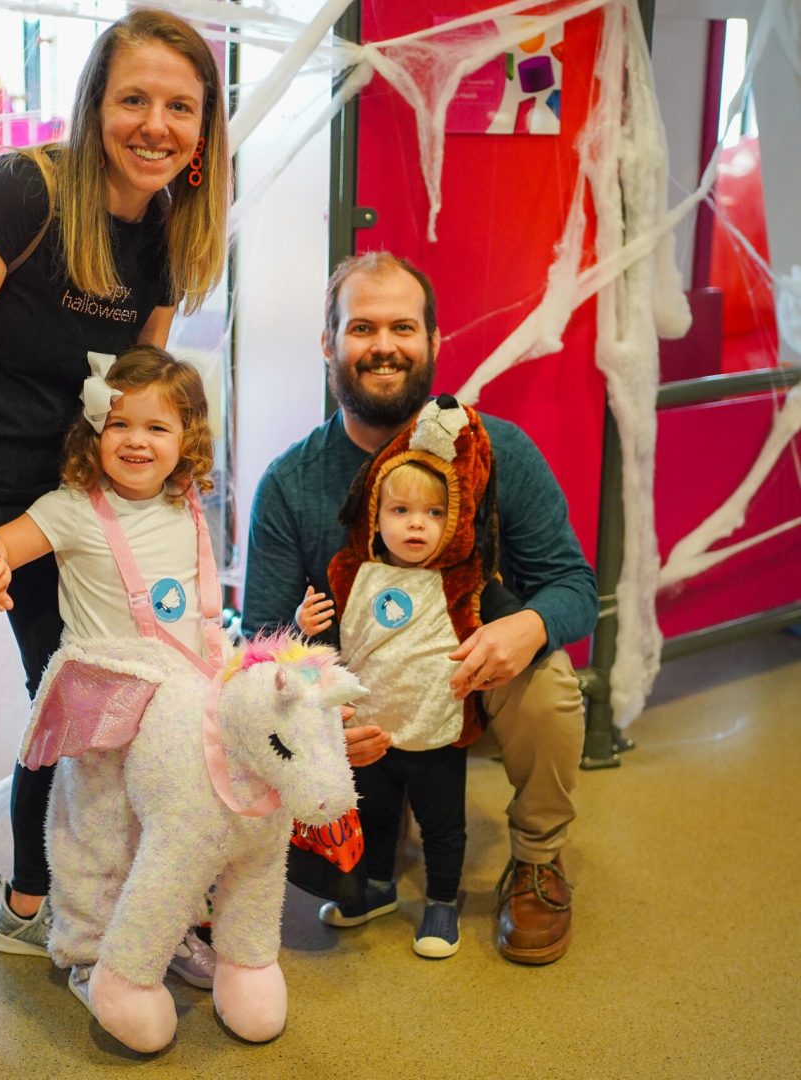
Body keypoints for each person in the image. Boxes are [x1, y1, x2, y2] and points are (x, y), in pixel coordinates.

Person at [0, 8, 230, 1050]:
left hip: (60, 501)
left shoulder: (174, 225)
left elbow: (137, 392)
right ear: (94, 106)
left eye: (180, 105)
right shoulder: (17, 193)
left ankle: (34, 908)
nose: (155, 124)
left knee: (71, 708)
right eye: (134, 98)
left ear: (204, 125)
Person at [242, 251, 598, 966]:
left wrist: (525, 627)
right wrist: (317, 717)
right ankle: (374, 821)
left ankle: (535, 859)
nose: (383, 346)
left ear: (435, 342)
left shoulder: (501, 453)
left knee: (550, 686)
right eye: (361, 327)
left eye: (403, 327)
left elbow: (574, 587)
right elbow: (262, 639)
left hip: (465, 681)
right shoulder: (290, 483)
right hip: (358, 702)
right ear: (329, 345)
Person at [0, 345, 223, 1050]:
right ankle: (89, 951)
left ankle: (164, 931)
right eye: (120, 426)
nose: (138, 442)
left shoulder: (188, 503)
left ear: (187, 441)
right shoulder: (70, 511)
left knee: (167, 834)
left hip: (177, 711)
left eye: (157, 428)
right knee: (97, 839)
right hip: (105, 712)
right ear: (93, 431)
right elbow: (0, 547)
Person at [295, 401, 521, 960]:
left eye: (435, 513)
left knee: (443, 826)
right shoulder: (352, 574)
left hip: (437, 731)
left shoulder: (464, 580)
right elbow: (325, 648)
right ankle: (376, 889)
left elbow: (514, 622)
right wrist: (305, 627)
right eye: (401, 510)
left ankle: (442, 901)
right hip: (372, 736)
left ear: (459, 519)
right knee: (375, 815)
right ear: (375, 515)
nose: (416, 524)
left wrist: (513, 631)